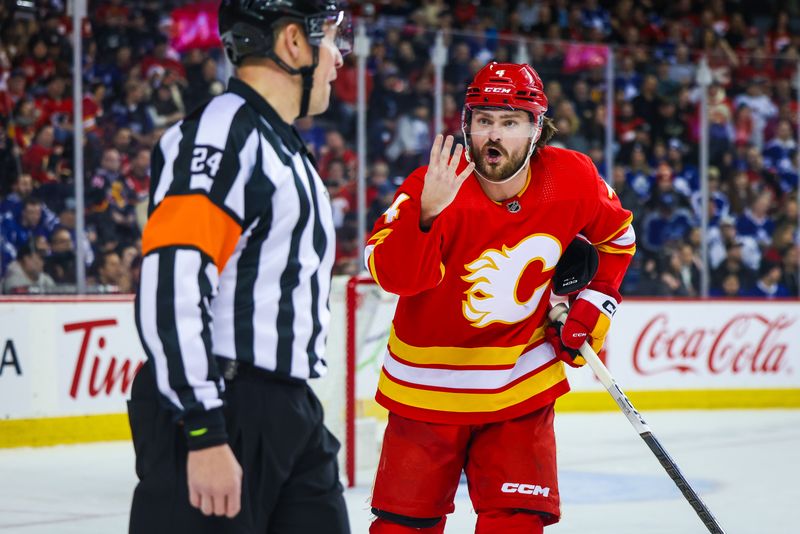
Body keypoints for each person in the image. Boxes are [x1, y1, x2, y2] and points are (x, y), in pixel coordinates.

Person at [364, 62, 636, 533]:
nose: (494, 134)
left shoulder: (571, 177)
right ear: (467, 126)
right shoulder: (431, 185)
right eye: (484, 120)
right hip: (427, 388)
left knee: (516, 525)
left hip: (520, 382)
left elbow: (618, 238)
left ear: (536, 129)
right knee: (402, 528)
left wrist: (593, 304)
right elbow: (392, 277)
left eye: (510, 122)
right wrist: (426, 215)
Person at [128, 1, 352, 533]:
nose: (339, 59)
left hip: (288, 407)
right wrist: (203, 430)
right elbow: (175, 282)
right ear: (293, 42)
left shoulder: (283, 144)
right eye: (332, 40)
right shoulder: (221, 135)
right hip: (225, 405)